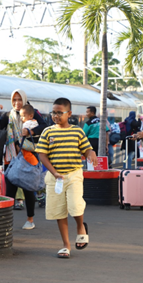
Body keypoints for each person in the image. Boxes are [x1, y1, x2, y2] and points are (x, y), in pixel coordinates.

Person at [36, 97, 97, 259]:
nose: (55, 116)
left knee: (75, 205)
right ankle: (66, 245)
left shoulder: (77, 131)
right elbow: (42, 154)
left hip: (73, 174)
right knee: (59, 211)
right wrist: (54, 172)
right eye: (53, 113)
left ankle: (80, 227)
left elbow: (86, 149)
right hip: (55, 178)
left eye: (59, 113)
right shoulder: (47, 132)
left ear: (69, 113)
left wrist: (91, 153)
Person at [0, 89, 48, 230]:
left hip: (28, 155)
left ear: (24, 99)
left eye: (19, 99)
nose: (17, 103)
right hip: (11, 157)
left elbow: (44, 127)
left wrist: (30, 131)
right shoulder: (9, 115)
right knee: (10, 190)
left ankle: (30, 219)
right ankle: (5, 221)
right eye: (14, 100)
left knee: (28, 188)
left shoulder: (32, 112)